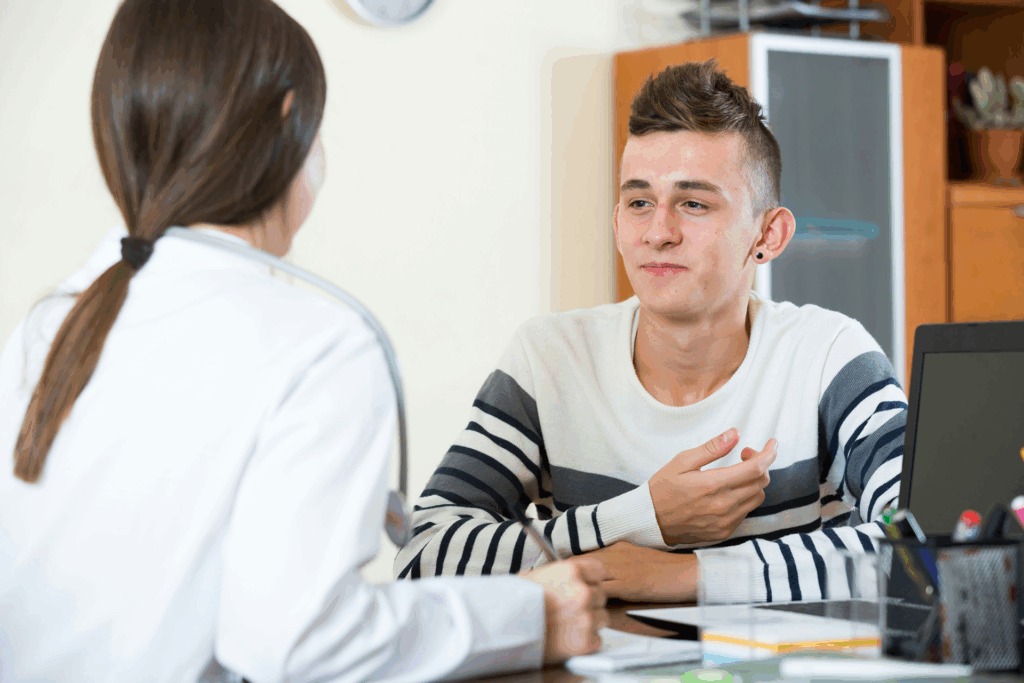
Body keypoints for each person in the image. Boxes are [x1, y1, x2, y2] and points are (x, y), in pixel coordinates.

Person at [0, 1, 608, 681]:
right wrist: (529, 616)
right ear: (291, 122)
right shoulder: (319, 344)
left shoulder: (48, 323)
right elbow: (300, 644)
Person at [395, 60, 905, 604]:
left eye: (693, 203)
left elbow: (928, 548)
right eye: (639, 203)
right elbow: (424, 554)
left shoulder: (828, 356)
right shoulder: (550, 359)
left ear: (768, 234)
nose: (658, 232)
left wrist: (688, 577)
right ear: (618, 223)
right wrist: (641, 518)